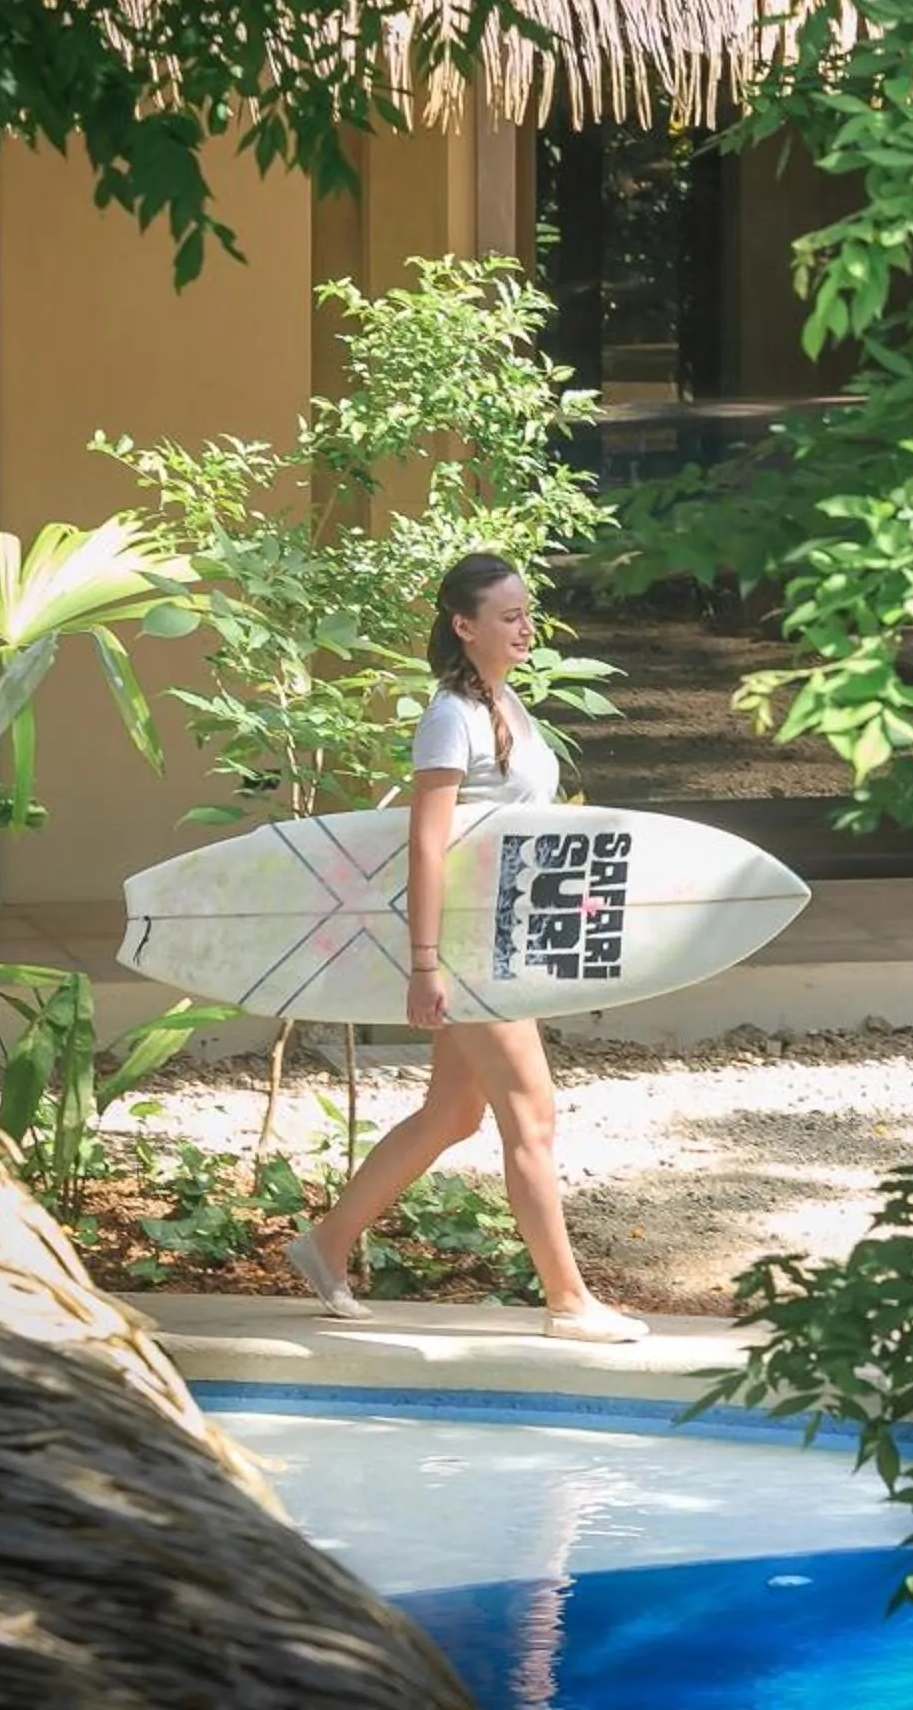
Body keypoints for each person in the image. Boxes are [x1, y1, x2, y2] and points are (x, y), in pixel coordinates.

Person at [283, 551, 649, 1343]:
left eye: (527, 614)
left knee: (451, 1113)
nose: (526, 628)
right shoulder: (451, 714)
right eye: (510, 616)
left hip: (504, 939)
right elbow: (426, 844)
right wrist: (425, 965)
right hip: (470, 951)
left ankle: (325, 1246)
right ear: (464, 625)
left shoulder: (504, 702)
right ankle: (568, 1302)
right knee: (532, 1118)